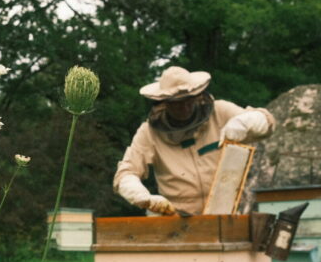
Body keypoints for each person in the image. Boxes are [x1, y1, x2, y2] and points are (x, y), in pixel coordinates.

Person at [113, 65, 276, 215]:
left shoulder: (220, 111)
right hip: (176, 219)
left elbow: (267, 122)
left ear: (197, 96)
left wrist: (246, 122)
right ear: (165, 102)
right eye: (177, 103)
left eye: (188, 100)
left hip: (227, 212)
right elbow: (126, 172)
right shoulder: (149, 132)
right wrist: (142, 197)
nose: (184, 108)